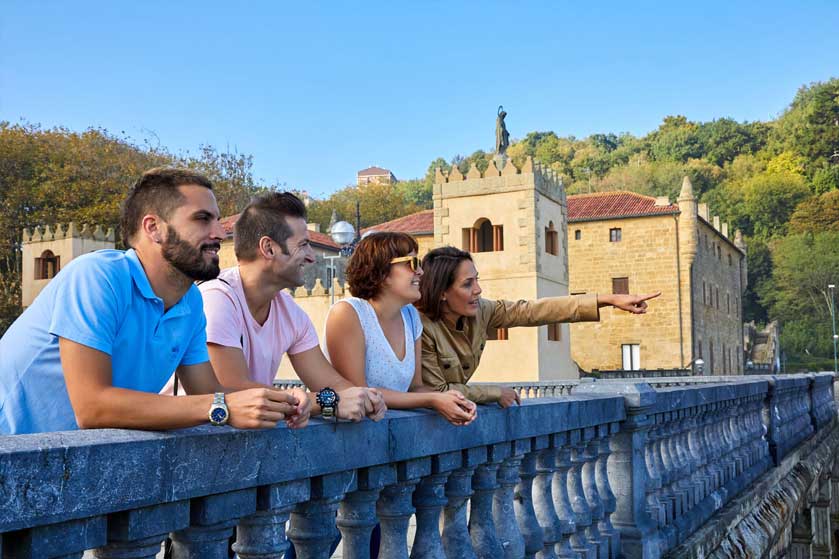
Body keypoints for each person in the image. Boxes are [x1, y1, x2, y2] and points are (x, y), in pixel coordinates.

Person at [0, 167, 304, 435]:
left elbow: (209, 393)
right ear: (153, 228)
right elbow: (92, 407)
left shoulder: (191, 302)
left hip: (65, 470)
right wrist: (220, 405)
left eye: (218, 220)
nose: (220, 232)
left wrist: (285, 401)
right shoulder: (97, 276)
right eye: (202, 219)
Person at [162, 192, 386, 423]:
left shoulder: (291, 311)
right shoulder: (216, 298)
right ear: (269, 248)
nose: (311, 257)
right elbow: (232, 389)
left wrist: (362, 397)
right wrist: (330, 402)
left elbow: (333, 385)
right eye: (304, 245)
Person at [416, 246, 661, 407]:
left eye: (477, 279)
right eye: (467, 284)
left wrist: (608, 300)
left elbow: (534, 311)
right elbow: (437, 391)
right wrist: (493, 392)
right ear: (443, 293)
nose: (478, 289)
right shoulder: (420, 326)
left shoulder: (482, 311)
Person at [324, 233, 477, 426]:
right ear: (381, 270)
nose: (421, 272)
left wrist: (449, 399)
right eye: (412, 263)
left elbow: (415, 387)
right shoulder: (348, 313)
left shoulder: (411, 316)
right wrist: (432, 400)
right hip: (345, 435)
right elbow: (357, 392)